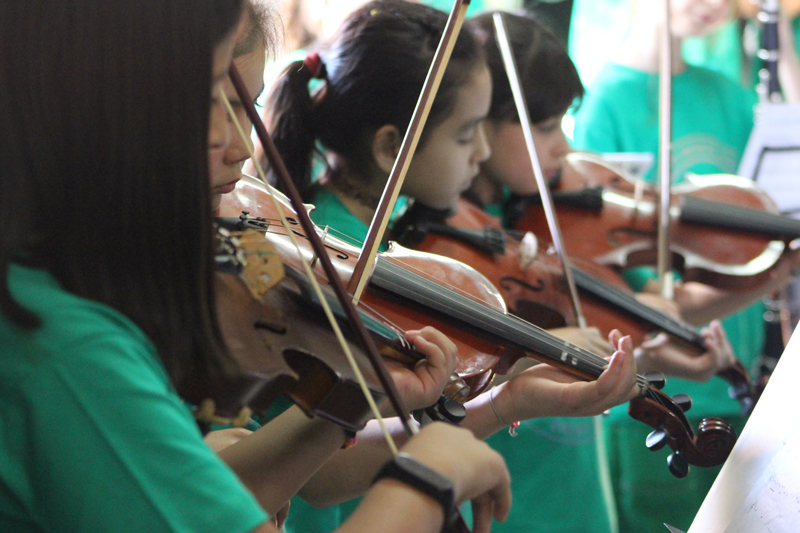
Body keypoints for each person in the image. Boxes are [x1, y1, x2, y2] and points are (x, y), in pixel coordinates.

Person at [0, 1, 517, 532]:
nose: (244, 146)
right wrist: (426, 480)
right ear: (106, 107)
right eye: (212, 104)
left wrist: (351, 402)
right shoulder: (63, 347)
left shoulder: (53, 297)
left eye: (248, 108)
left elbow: (201, 502)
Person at [264, 1, 642, 531]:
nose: (483, 152)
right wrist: (506, 401)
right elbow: (320, 476)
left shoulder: (402, 232)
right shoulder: (315, 256)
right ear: (392, 146)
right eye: (467, 135)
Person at [571, 0, 800, 530]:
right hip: (657, 392)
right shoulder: (605, 102)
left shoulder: (728, 93)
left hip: (738, 378)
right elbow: (625, 285)